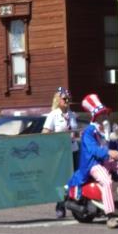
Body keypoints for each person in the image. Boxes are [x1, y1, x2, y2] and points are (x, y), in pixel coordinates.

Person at [68, 94, 118, 229]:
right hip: (93, 164)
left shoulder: (107, 132)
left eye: (106, 114)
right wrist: (108, 152)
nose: (105, 118)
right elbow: (94, 150)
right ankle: (110, 216)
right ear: (96, 117)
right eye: (102, 115)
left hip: (106, 161)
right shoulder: (88, 132)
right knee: (106, 181)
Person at [42, 87, 79, 218]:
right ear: (58, 100)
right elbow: (45, 133)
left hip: (73, 150)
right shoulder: (53, 115)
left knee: (75, 178)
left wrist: (76, 135)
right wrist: (57, 140)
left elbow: (76, 131)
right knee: (62, 180)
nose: (67, 101)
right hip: (60, 153)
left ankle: (76, 205)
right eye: (65, 99)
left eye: (69, 99)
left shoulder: (72, 115)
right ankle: (60, 205)